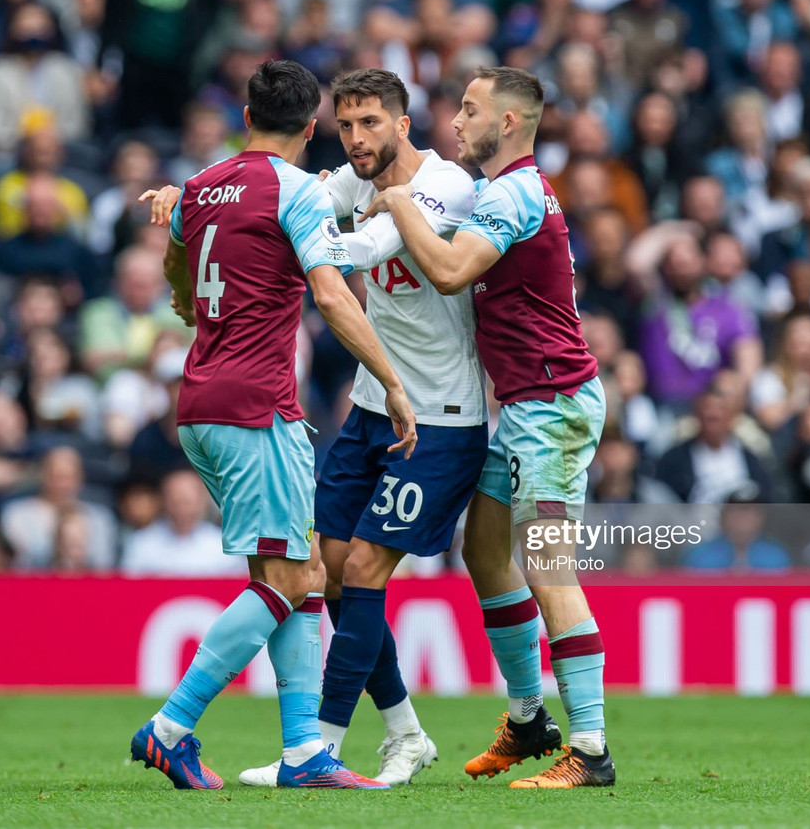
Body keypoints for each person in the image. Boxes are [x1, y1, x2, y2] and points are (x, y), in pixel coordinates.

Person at [166, 68, 478, 787]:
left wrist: (190, 220)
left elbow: (347, 257)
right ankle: (271, 740)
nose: (358, 138)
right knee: (313, 575)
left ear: (404, 123)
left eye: (372, 123)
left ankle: (324, 742)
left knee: (337, 570)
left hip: (436, 413)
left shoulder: (452, 190)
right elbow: (317, 258)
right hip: (342, 404)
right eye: (347, 125)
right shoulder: (321, 186)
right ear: (316, 128)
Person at [361, 67, 614, 789]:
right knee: (485, 547)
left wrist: (398, 201)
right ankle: (530, 718)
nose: (455, 122)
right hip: (527, 405)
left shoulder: (512, 192)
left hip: (553, 406)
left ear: (507, 122)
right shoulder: (517, 190)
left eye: (468, 110)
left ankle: (592, 751)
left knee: (549, 567)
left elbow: (445, 270)